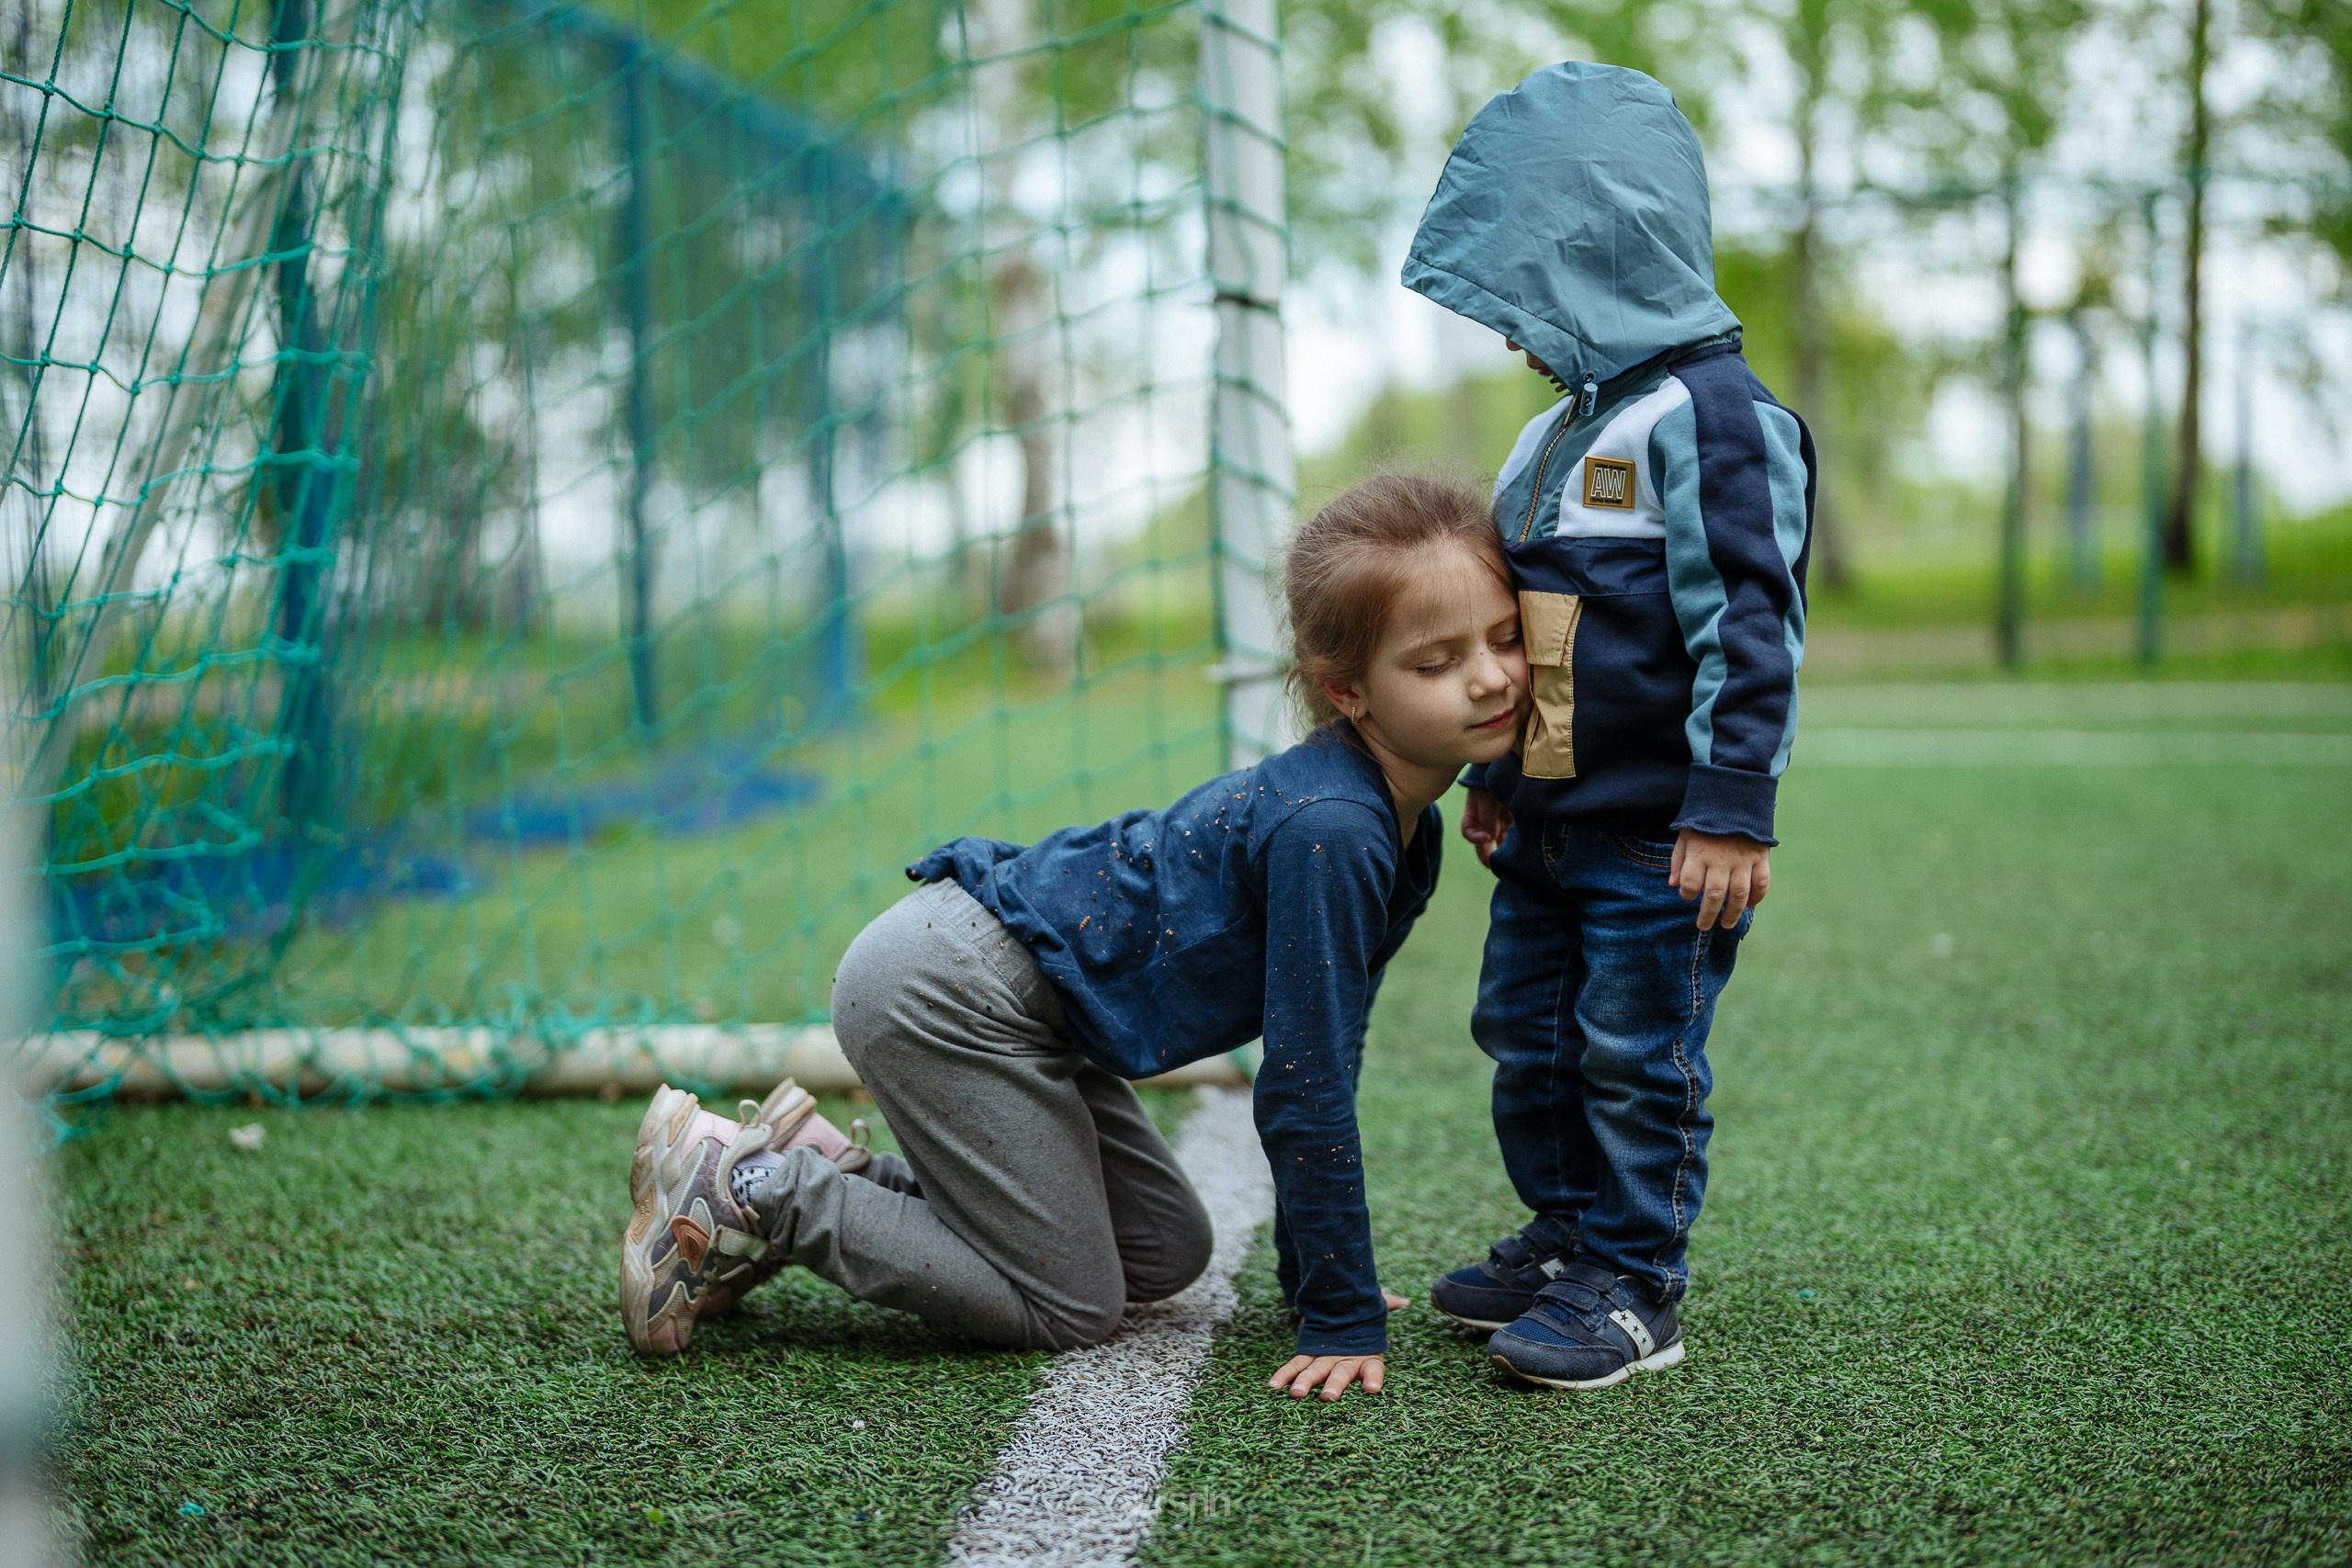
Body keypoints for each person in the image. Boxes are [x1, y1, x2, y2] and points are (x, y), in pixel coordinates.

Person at [620, 469, 1530, 1403]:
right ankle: (759, 1192)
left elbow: (1324, 1051)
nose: (1491, 674)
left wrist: (1312, 1279)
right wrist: (1340, 1309)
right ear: (1347, 691)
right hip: (945, 992)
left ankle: (828, 1165)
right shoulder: (1332, 829)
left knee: (1161, 1252)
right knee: (1071, 1307)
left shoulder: (1401, 825)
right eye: (1435, 662)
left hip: (1029, 1002)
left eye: (1505, 638)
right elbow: (1305, 1086)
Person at [1402, 62, 1816, 1390]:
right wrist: (1496, 778)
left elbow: (1751, 622)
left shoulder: (1716, 421)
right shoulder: (1544, 440)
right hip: (1546, 830)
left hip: (1660, 839)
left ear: (1605, 254)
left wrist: (1733, 801)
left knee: (1638, 1054)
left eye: (1530, 289)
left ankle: (1637, 1281)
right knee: (1526, 1035)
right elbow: (1514, 638)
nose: (1516, 329)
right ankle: (1565, 1235)